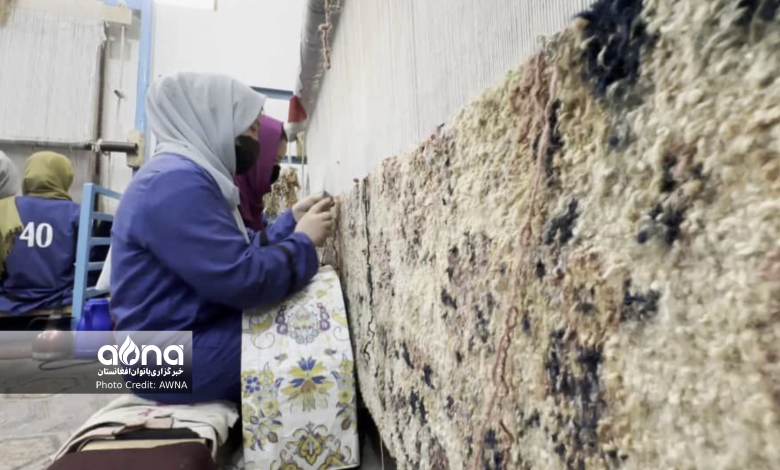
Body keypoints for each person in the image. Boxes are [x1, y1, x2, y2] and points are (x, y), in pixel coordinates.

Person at [110, 73, 334, 404]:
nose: (255, 142)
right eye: (251, 129)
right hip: (161, 362)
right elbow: (243, 281)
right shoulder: (175, 184)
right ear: (215, 121)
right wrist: (302, 242)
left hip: (174, 341)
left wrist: (290, 223)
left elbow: (229, 254)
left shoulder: (181, 174)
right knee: (310, 335)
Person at [0, 152, 80, 316]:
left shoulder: (5, 208)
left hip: (8, 306)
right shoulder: (78, 214)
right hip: (60, 306)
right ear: (66, 177)